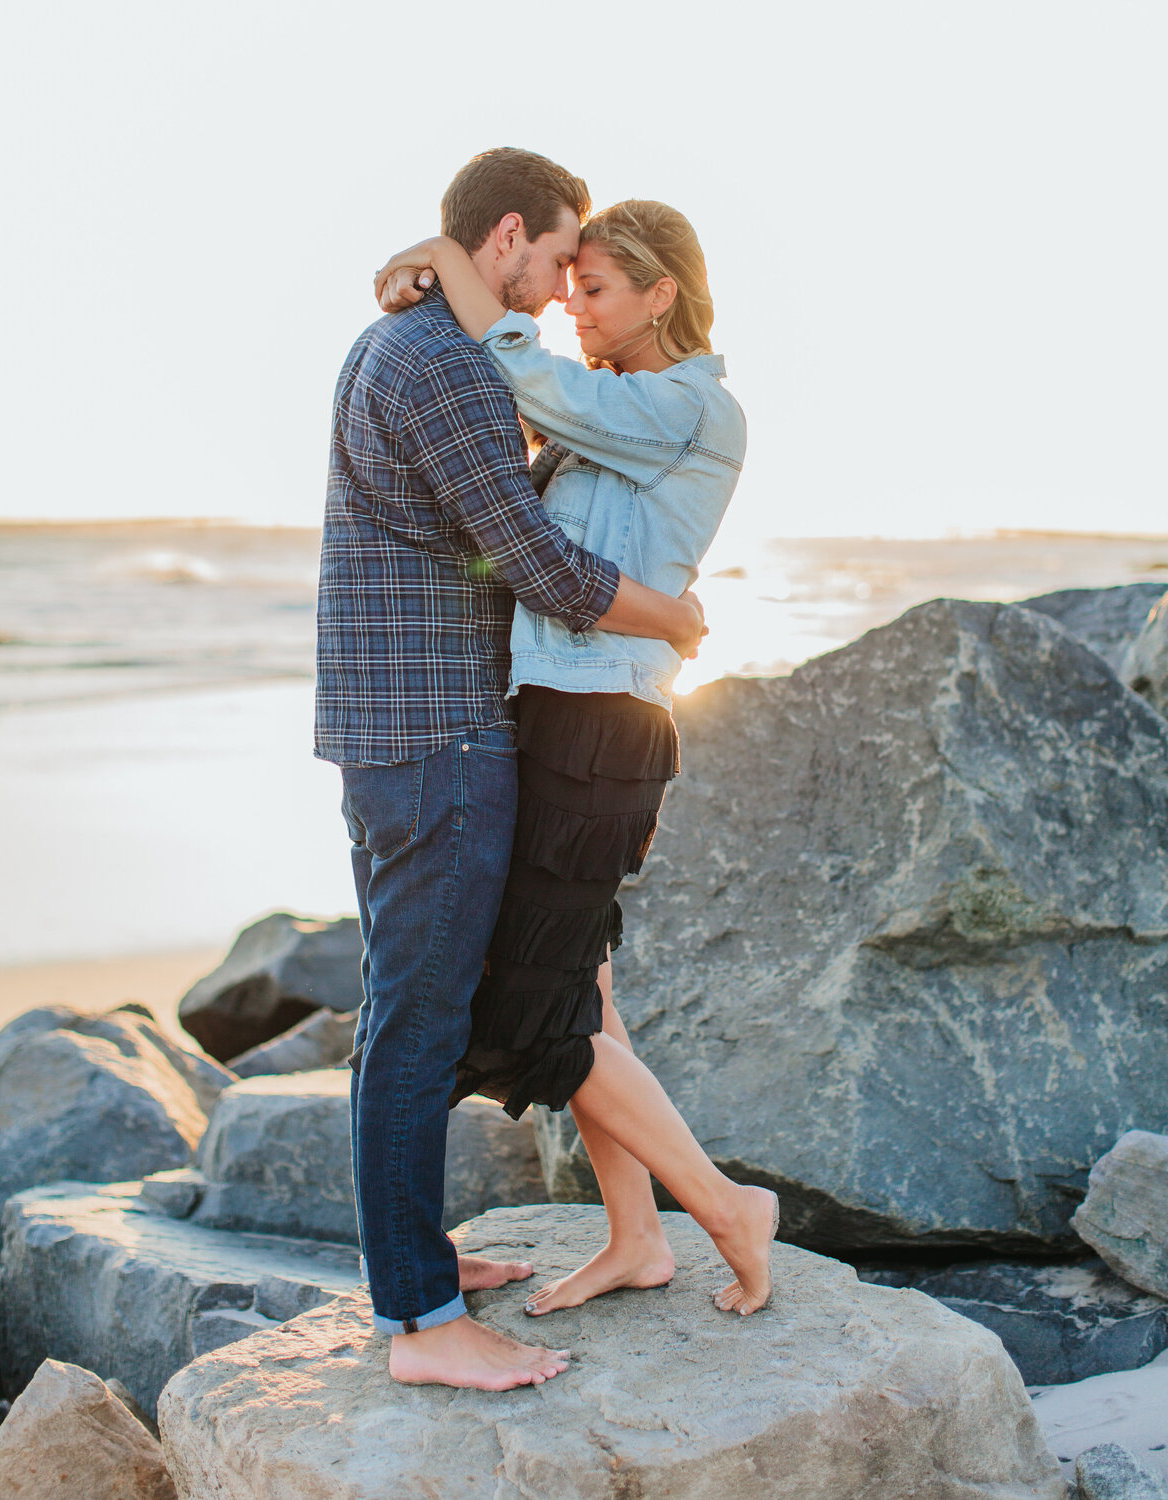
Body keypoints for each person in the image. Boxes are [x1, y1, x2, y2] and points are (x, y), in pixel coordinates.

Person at [316, 149, 707, 1393]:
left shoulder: (413, 347)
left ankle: (416, 1261)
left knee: (408, 1006)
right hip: (436, 735)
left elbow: (510, 512)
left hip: (407, 727)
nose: (558, 290)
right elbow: (531, 556)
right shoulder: (437, 365)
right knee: (420, 1019)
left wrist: (429, 264)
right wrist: (672, 619)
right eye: (555, 261)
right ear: (507, 237)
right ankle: (424, 1326)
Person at [373, 198, 779, 1328]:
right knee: (587, 1000)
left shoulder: (694, 406)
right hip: (556, 715)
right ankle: (639, 1236)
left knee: (536, 1019)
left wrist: (451, 263)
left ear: (662, 293)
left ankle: (726, 1212)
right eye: (572, 283)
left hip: (600, 732)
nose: (572, 308)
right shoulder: (618, 418)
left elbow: (538, 384)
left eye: (595, 289)